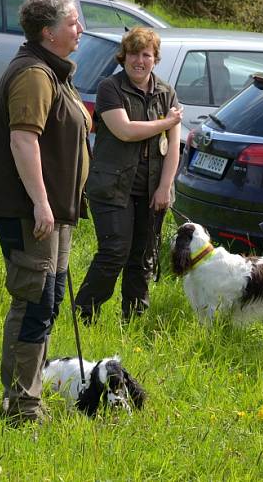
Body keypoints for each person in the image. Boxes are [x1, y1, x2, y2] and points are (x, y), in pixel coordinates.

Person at [0, 0, 90, 424]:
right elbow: (23, 140)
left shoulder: (53, 70)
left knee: (50, 299)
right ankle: (22, 405)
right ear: (48, 32)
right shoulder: (34, 74)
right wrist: (42, 203)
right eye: (73, 21)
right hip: (30, 213)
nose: (80, 28)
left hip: (52, 214)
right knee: (34, 303)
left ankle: (26, 392)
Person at [74, 27, 182, 323]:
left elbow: (175, 145)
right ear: (124, 57)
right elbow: (124, 130)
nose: (139, 60)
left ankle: (132, 320)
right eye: (133, 54)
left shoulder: (166, 92)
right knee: (114, 252)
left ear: (155, 59)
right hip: (111, 187)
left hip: (151, 190)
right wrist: (167, 122)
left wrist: (165, 187)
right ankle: (84, 314)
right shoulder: (110, 87)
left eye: (146, 54)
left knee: (143, 257)